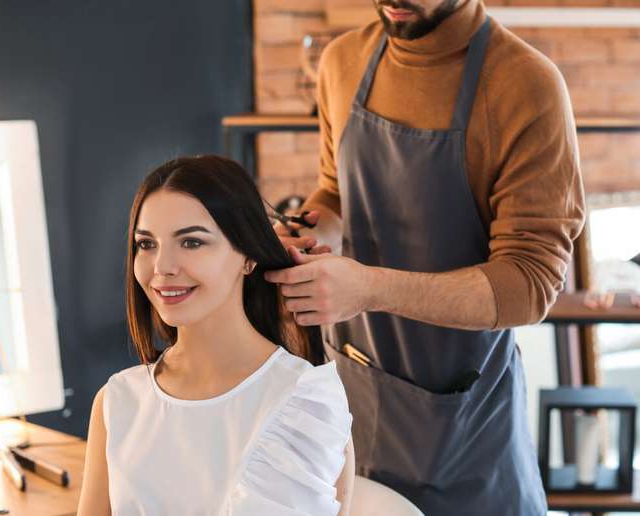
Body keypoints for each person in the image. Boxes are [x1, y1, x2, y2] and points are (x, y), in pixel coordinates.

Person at [264, 0, 585, 514]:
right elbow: (336, 191)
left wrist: (368, 289)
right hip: (354, 404)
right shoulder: (342, 61)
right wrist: (311, 230)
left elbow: (529, 284)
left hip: (466, 436)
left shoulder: (526, 85)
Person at [77, 155, 355, 516]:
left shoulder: (307, 403)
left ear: (248, 256)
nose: (162, 267)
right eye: (147, 244)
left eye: (191, 242)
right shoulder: (117, 402)